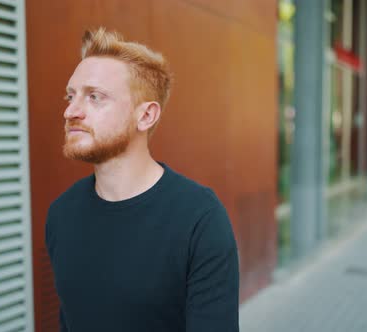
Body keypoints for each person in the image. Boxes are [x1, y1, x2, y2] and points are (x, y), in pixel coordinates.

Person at [46, 28, 240, 331]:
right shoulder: (61, 214)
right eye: (70, 96)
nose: (71, 111)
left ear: (146, 116)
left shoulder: (200, 218)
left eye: (94, 97)